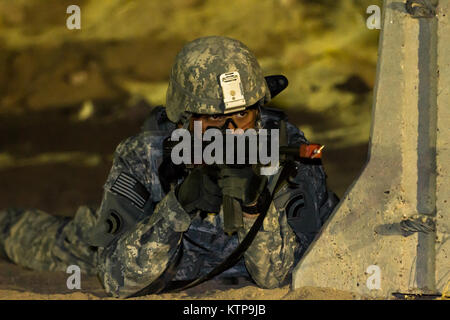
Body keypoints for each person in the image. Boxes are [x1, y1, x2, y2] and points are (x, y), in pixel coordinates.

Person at [0, 36, 339, 298]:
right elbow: (118, 280)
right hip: (145, 254)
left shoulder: (284, 150)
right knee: (35, 238)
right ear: (184, 119)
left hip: (241, 268)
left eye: (242, 115)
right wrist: (178, 207)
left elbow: (278, 276)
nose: (231, 132)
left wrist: (254, 208)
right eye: (215, 119)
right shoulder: (146, 154)